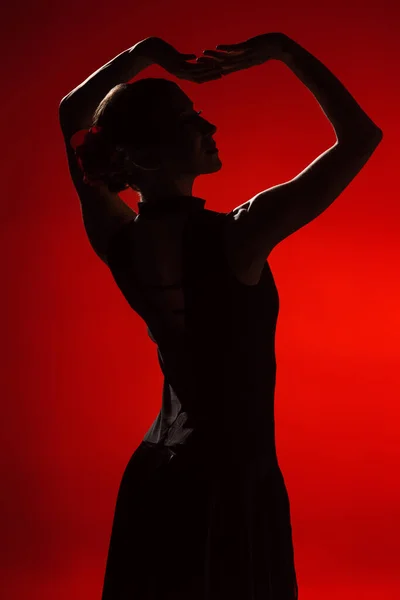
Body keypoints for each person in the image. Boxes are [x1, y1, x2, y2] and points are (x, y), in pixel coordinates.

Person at [59, 34, 382, 600]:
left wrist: (151, 53)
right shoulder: (241, 235)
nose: (210, 128)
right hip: (233, 483)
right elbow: (361, 138)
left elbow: (71, 116)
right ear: (149, 153)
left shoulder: (115, 237)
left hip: (156, 478)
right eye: (190, 121)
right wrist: (285, 52)